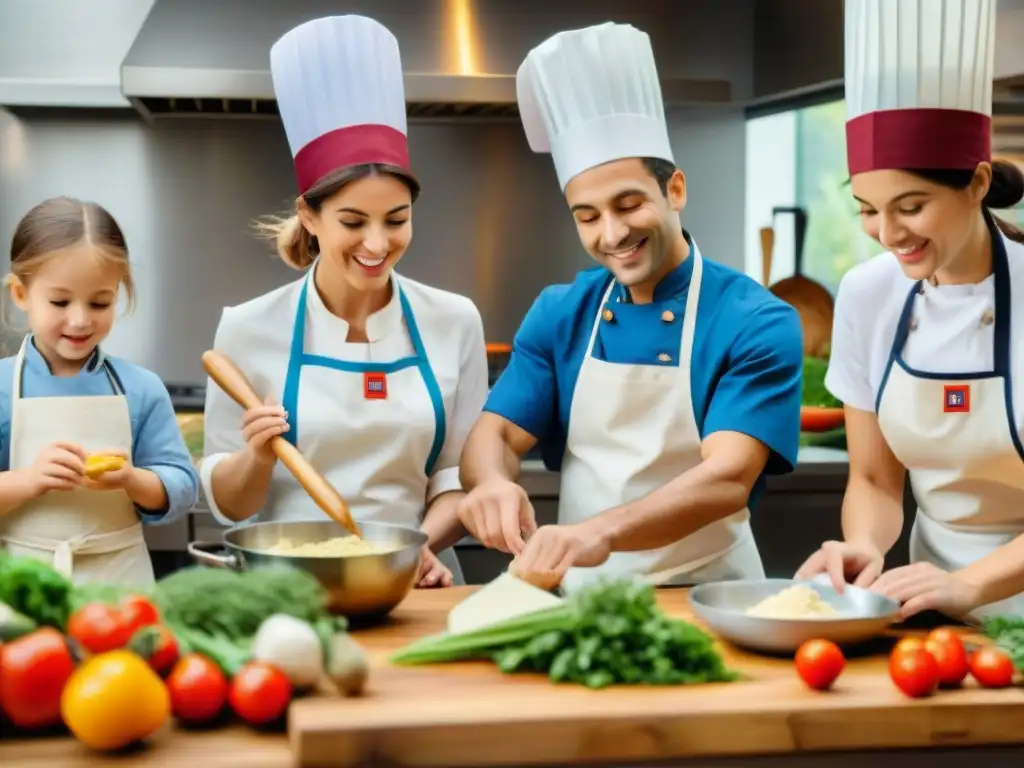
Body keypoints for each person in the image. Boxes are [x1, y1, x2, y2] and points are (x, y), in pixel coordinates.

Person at [457, 22, 804, 592]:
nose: (612, 233)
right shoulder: (561, 311)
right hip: (584, 597)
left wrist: (602, 533)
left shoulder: (755, 320)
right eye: (587, 216)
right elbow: (493, 434)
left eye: (629, 204)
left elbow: (725, 479)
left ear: (676, 191)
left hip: (709, 594)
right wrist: (490, 482)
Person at [200, 15, 488, 588]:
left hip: (419, 577)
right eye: (353, 222)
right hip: (285, 584)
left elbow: (461, 474)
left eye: (397, 220)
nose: (378, 244)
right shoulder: (247, 328)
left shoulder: (454, 320)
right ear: (309, 214)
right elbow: (230, 505)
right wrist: (255, 455)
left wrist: (414, 549)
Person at [795, 0, 1024, 622]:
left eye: (911, 205)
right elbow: (873, 479)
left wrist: (974, 583)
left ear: (976, 183)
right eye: (867, 208)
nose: (887, 232)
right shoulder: (869, 294)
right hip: (928, 615)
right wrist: (863, 547)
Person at [0, 197, 199, 585]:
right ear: (20, 294)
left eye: (99, 302)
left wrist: (131, 478)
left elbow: (182, 485)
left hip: (121, 582)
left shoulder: (141, 388)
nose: (79, 319)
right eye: (60, 301)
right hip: (20, 584)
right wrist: (31, 479)